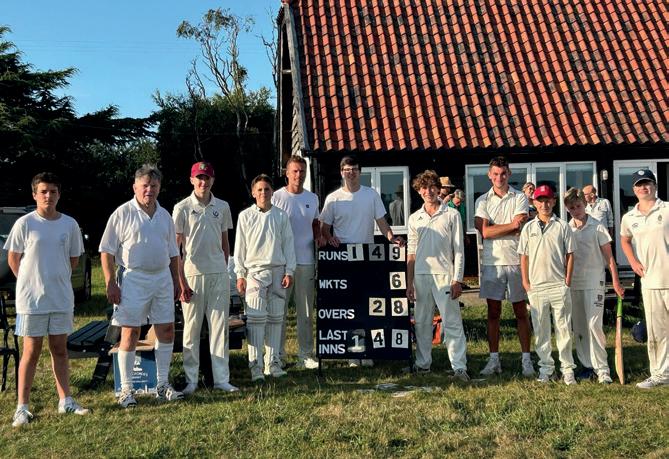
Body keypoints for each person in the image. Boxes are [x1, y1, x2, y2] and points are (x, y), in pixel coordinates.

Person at [4, 172, 89, 427]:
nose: (48, 196)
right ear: (34, 195)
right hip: (32, 302)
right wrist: (29, 283)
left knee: (60, 349)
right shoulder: (24, 224)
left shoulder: (70, 225)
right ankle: (22, 408)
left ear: (59, 195)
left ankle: (66, 401)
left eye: (53, 191)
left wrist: (55, 279)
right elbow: (13, 259)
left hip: (61, 299)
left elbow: (73, 260)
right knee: (31, 352)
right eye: (43, 192)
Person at [100, 164, 183, 408]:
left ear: (159, 187)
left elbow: (173, 253)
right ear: (135, 187)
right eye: (145, 185)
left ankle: (162, 385)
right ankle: (126, 390)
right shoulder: (122, 213)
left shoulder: (165, 215)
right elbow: (106, 251)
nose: (149, 190)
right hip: (133, 279)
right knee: (131, 332)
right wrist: (110, 282)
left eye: (154, 185)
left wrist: (176, 280)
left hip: (162, 279)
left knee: (166, 330)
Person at [320, 155, 404, 367]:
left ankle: (367, 351)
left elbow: (382, 223)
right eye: (347, 170)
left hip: (367, 259)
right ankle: (353, 353)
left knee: (367, 307)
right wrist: (329, 238)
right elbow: (324, 227)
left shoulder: (371, 195)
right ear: (342, 172)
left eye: (355, 169)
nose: (351, 173)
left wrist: (392, 238)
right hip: (343, 260)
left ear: (360, 172)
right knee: (349, 308)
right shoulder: (333, 198)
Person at [172, 161, 238, 395]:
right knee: (191, 330)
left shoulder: (223, 206)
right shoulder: (181, 208)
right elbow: (175, 249)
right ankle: (191, 380)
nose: (203, 182)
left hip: (218, 274)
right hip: (192, 275)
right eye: (199, 178)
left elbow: (225, 243)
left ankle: (221, 379)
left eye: (207, 177)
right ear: (192, 180)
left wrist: (223, 268)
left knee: (220, 328)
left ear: (213, 180)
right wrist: (181, 282)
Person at [474, 156, 535, 377]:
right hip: (492, 262)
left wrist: (494, 228)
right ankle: (494, 360)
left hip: (517, 260)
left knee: (521, 311)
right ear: (489, 175)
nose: (499, 178)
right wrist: (509, 225)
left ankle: (526, 360)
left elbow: (519, 225)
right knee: (493, 312)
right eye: (495, 174)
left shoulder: (520, 197)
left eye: (503, 173)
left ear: (509, 174)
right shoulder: (482, 200)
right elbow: (485, 232)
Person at [406, 170, 468, 380]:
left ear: (438, 189)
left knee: (452, 322)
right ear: (419, 191)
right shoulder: (414, 218)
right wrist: (409, 283)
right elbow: (411, 252)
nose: (428, 191)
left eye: (432, 187)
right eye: (424, 188)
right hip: (421, 276)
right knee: (422, 323)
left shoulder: (452, 214)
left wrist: (457, 279)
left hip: (445, 275)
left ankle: (459, 367)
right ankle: (423, 365)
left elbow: (459, 250)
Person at [235, 174, 296, 382]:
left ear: (272, 192)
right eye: (259, 190)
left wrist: (290, 271)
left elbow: (288, 244)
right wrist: (240, 275)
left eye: (267, 189)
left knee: (276, 319)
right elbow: (240, 248)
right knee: (255, 320)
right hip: (255, 273)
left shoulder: (280, 215)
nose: (263, 193)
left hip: (278, 270)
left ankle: (273, 363)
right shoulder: (245, 216)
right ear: (253, 192)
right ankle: (256, 366)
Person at [564, 188, 625, 384]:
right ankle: (586, 366)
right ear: (567, 209)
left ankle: (602, 368)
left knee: (594, 325)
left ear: (585, 204)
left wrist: (615, 281)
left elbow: (609, 258)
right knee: (580, 326)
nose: (576, 211)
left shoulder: (597, 226)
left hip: (594, 282)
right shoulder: (567, 228)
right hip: (574, 284)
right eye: (572, 208)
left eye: (578, 206)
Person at [519, 185, 577, 385]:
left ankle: (567, 369)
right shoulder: (528, 228)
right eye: (540, 201)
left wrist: (567, 281)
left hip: (558, 284)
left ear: (554, 202)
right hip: (536, 286)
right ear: (534, 203)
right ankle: (546, 368)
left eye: (547, 200)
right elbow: (524, 257)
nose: (544, 204)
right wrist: (526, 282)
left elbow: (570, 255)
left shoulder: (562, 226)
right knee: (541, 331)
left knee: (563, 329)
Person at [271, 155, 324, 370]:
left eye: (302, 171)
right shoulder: (276, 197)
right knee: (279, 312)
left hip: (306, 261)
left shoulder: (313, 198)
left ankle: (305, 354)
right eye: (295, 171)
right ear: (287, 173)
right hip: (282, 263)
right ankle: (278, 355)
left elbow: (315, 224)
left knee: (306, 312)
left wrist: (319, 237)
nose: (298, 175)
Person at [620, 169, 668, 389]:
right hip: (650, 281)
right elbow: (624, 240)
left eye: (647, 183)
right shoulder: (629, 217)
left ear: (655, 186)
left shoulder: (667, 209)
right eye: (639, 185)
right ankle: (660, 374)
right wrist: (632, 262)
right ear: (634, 189)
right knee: (657, 331)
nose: (643, 188)